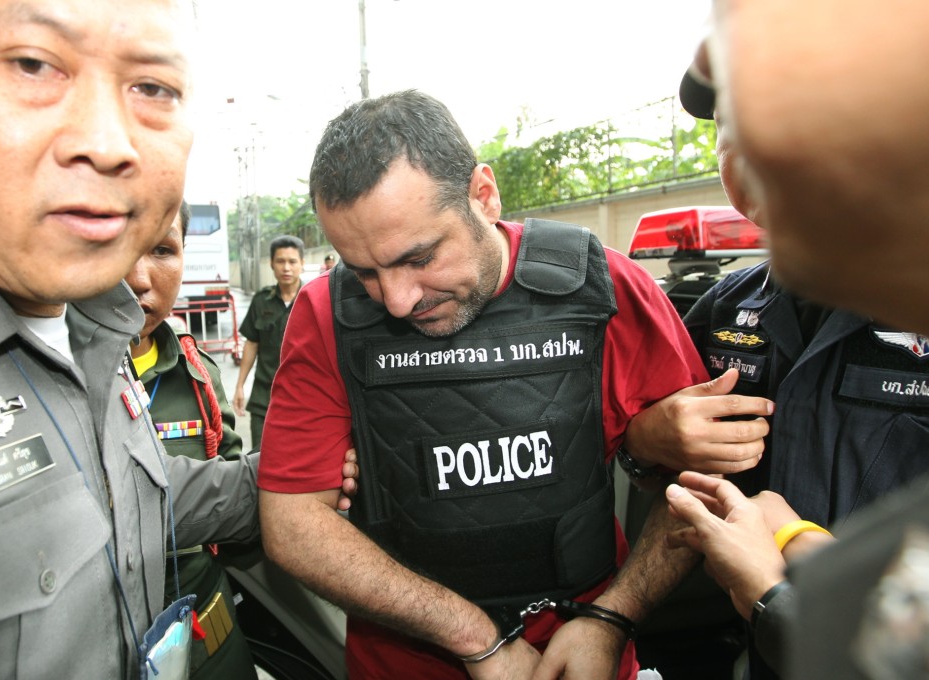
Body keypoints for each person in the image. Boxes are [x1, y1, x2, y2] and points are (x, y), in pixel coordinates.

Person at [257, 89, 773, 680]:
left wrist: (611, 620)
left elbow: (701, 483)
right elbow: (294, 525)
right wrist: (476, 638)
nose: (397, 300)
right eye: (365, 271)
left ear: (483, 194)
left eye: (419, 257)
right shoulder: (326, 313)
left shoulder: (604, 289)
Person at [0, 1, 264, 678]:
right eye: (33, 64)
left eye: (153, 89)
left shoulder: (98, 328)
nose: (108, 142)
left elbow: (140, 495)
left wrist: (304, 469)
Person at [664, 4, 929, 679]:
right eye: (729, 128)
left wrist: (781, 576)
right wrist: (651, 442)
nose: (749, 153)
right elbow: (662, 463)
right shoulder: (729, 304)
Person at [125, 202, 257, 679]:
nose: (139, 278)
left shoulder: (194, 368)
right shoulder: (55, 378)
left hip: (209, 637)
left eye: (162, 249)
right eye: (121, 248)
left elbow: (229, 471)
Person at [233, 235, 305, 449]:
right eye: (280, 261)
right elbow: (251, 344)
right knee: (260, 458)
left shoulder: (314, 301)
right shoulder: (260, 300)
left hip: (304, 398)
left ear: (301, 264)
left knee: (299, 460)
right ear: (272, 264)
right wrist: (239, 386)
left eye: (292, 261)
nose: (286, 268)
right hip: (265, 396)